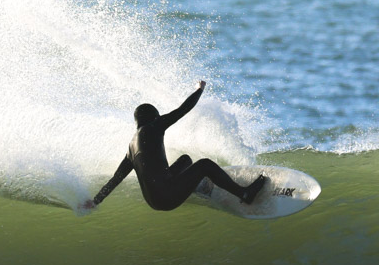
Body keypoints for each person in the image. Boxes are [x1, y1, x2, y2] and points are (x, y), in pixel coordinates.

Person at [84, 81, 266, 211]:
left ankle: (197, 187)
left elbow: (116, 178)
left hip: (154, 202)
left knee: (186, 160)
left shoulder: (131, 147)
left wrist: (96, 201)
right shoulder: (153, 126)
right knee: (204, 165)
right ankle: (244, 194)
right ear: (154, 117)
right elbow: (182, 110)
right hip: (167, 197)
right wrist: (199, 90)